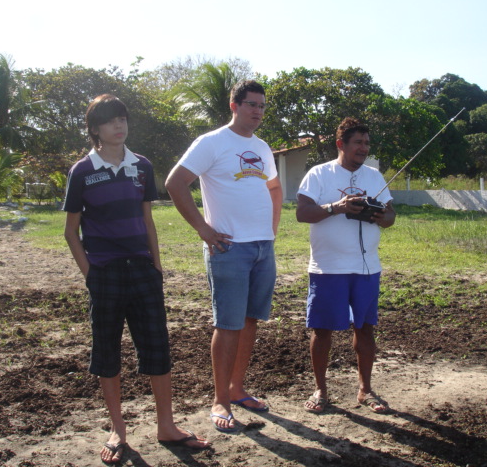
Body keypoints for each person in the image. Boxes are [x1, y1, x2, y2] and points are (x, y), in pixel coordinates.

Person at [63, 94, 209, 464]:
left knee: (157, 348)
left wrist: (156, 266)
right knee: (107, 352)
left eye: (123, 119)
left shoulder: (142, 166)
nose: (119, 126)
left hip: (143, 271)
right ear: (95, 129)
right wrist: (91, 274)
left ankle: (166, 426)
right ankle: (118, 430)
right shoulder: (82, 171)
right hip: (106, 274)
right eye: (111, 121)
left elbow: (147, 221)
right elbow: (71, 231)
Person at [165, 80, 282, 433]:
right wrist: (203, 228)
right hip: (228, 248)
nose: (257, 111)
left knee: (249, 321)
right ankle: (219, 400)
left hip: (262, 247)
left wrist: (271, 229)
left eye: (261, 105)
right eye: (250, 104)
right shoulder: (211, 142)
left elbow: (274, 188)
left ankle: (237, 389)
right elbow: (175, 183)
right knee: (227, 324)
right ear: (234, 105)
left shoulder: (262, 148)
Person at [296, 117, 396, 414]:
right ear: (341, 144)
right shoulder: (319, 174)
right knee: (322, 330)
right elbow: (303, 213)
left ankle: (366, 389)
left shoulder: (375, 177)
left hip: (367, 268)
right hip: (328, 268)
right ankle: (320, 390)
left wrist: (379, 215)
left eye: (366, 143)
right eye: (358, 143)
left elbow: (391, 217)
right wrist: (336, 207)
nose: (363, 148)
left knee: (365, 329)